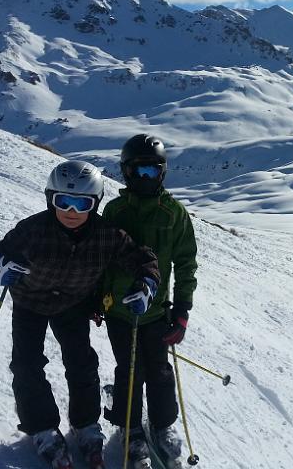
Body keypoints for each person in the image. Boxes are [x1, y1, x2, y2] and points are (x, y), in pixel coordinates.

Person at [0, 160, 159, 469]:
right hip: (30, 302)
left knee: (82, 362)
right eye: (63, 201)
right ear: (50, 199)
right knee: (27, 364)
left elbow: (143, 258)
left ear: (94, 204)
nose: (71, 211)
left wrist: (147, 283)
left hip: (73, 303)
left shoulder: (106, 234)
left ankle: (86, 425)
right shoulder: (32, 231)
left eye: (81, 203)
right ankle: (42, 428)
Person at [101, 134, 198, 469]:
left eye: (153, 171)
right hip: (119, 312)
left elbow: (186, 263)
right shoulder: (115, 210)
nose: (147, 178)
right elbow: (100, 257)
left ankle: (162, 425)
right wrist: (98, 300)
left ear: (163, 172)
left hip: (157, 311)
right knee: (130, 370)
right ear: (127, 173)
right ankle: (130, 430)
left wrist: (182, 312)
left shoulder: (173, 213)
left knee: (158, 370)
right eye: (140, 172)